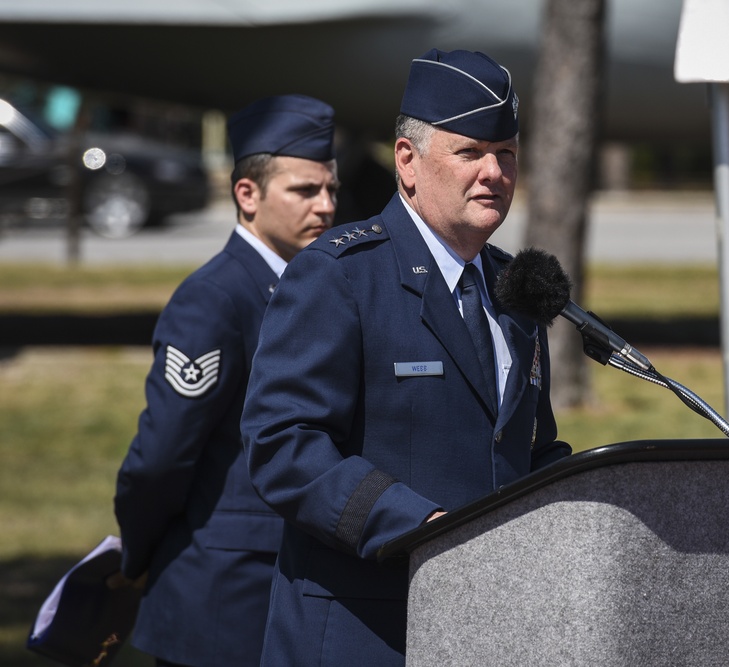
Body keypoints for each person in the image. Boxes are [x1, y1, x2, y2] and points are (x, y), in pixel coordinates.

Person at [241, 48, 573, 665]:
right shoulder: (340, 277)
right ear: (407, 162)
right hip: (365, 632)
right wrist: (421, 528)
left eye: (505, 155)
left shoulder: (515, 290)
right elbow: (284, 444)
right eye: (470, 153)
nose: (494, 174)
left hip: (490, 631)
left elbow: (533, 450)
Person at [113, 94, 339, 667]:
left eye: (331, 189)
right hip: (221, 593)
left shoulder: (313, 287)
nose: (327, 206)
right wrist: (138, 555)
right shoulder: (214, 299)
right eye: (305, 191)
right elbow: (161, 457)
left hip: (294, 586)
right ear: (248, 195)